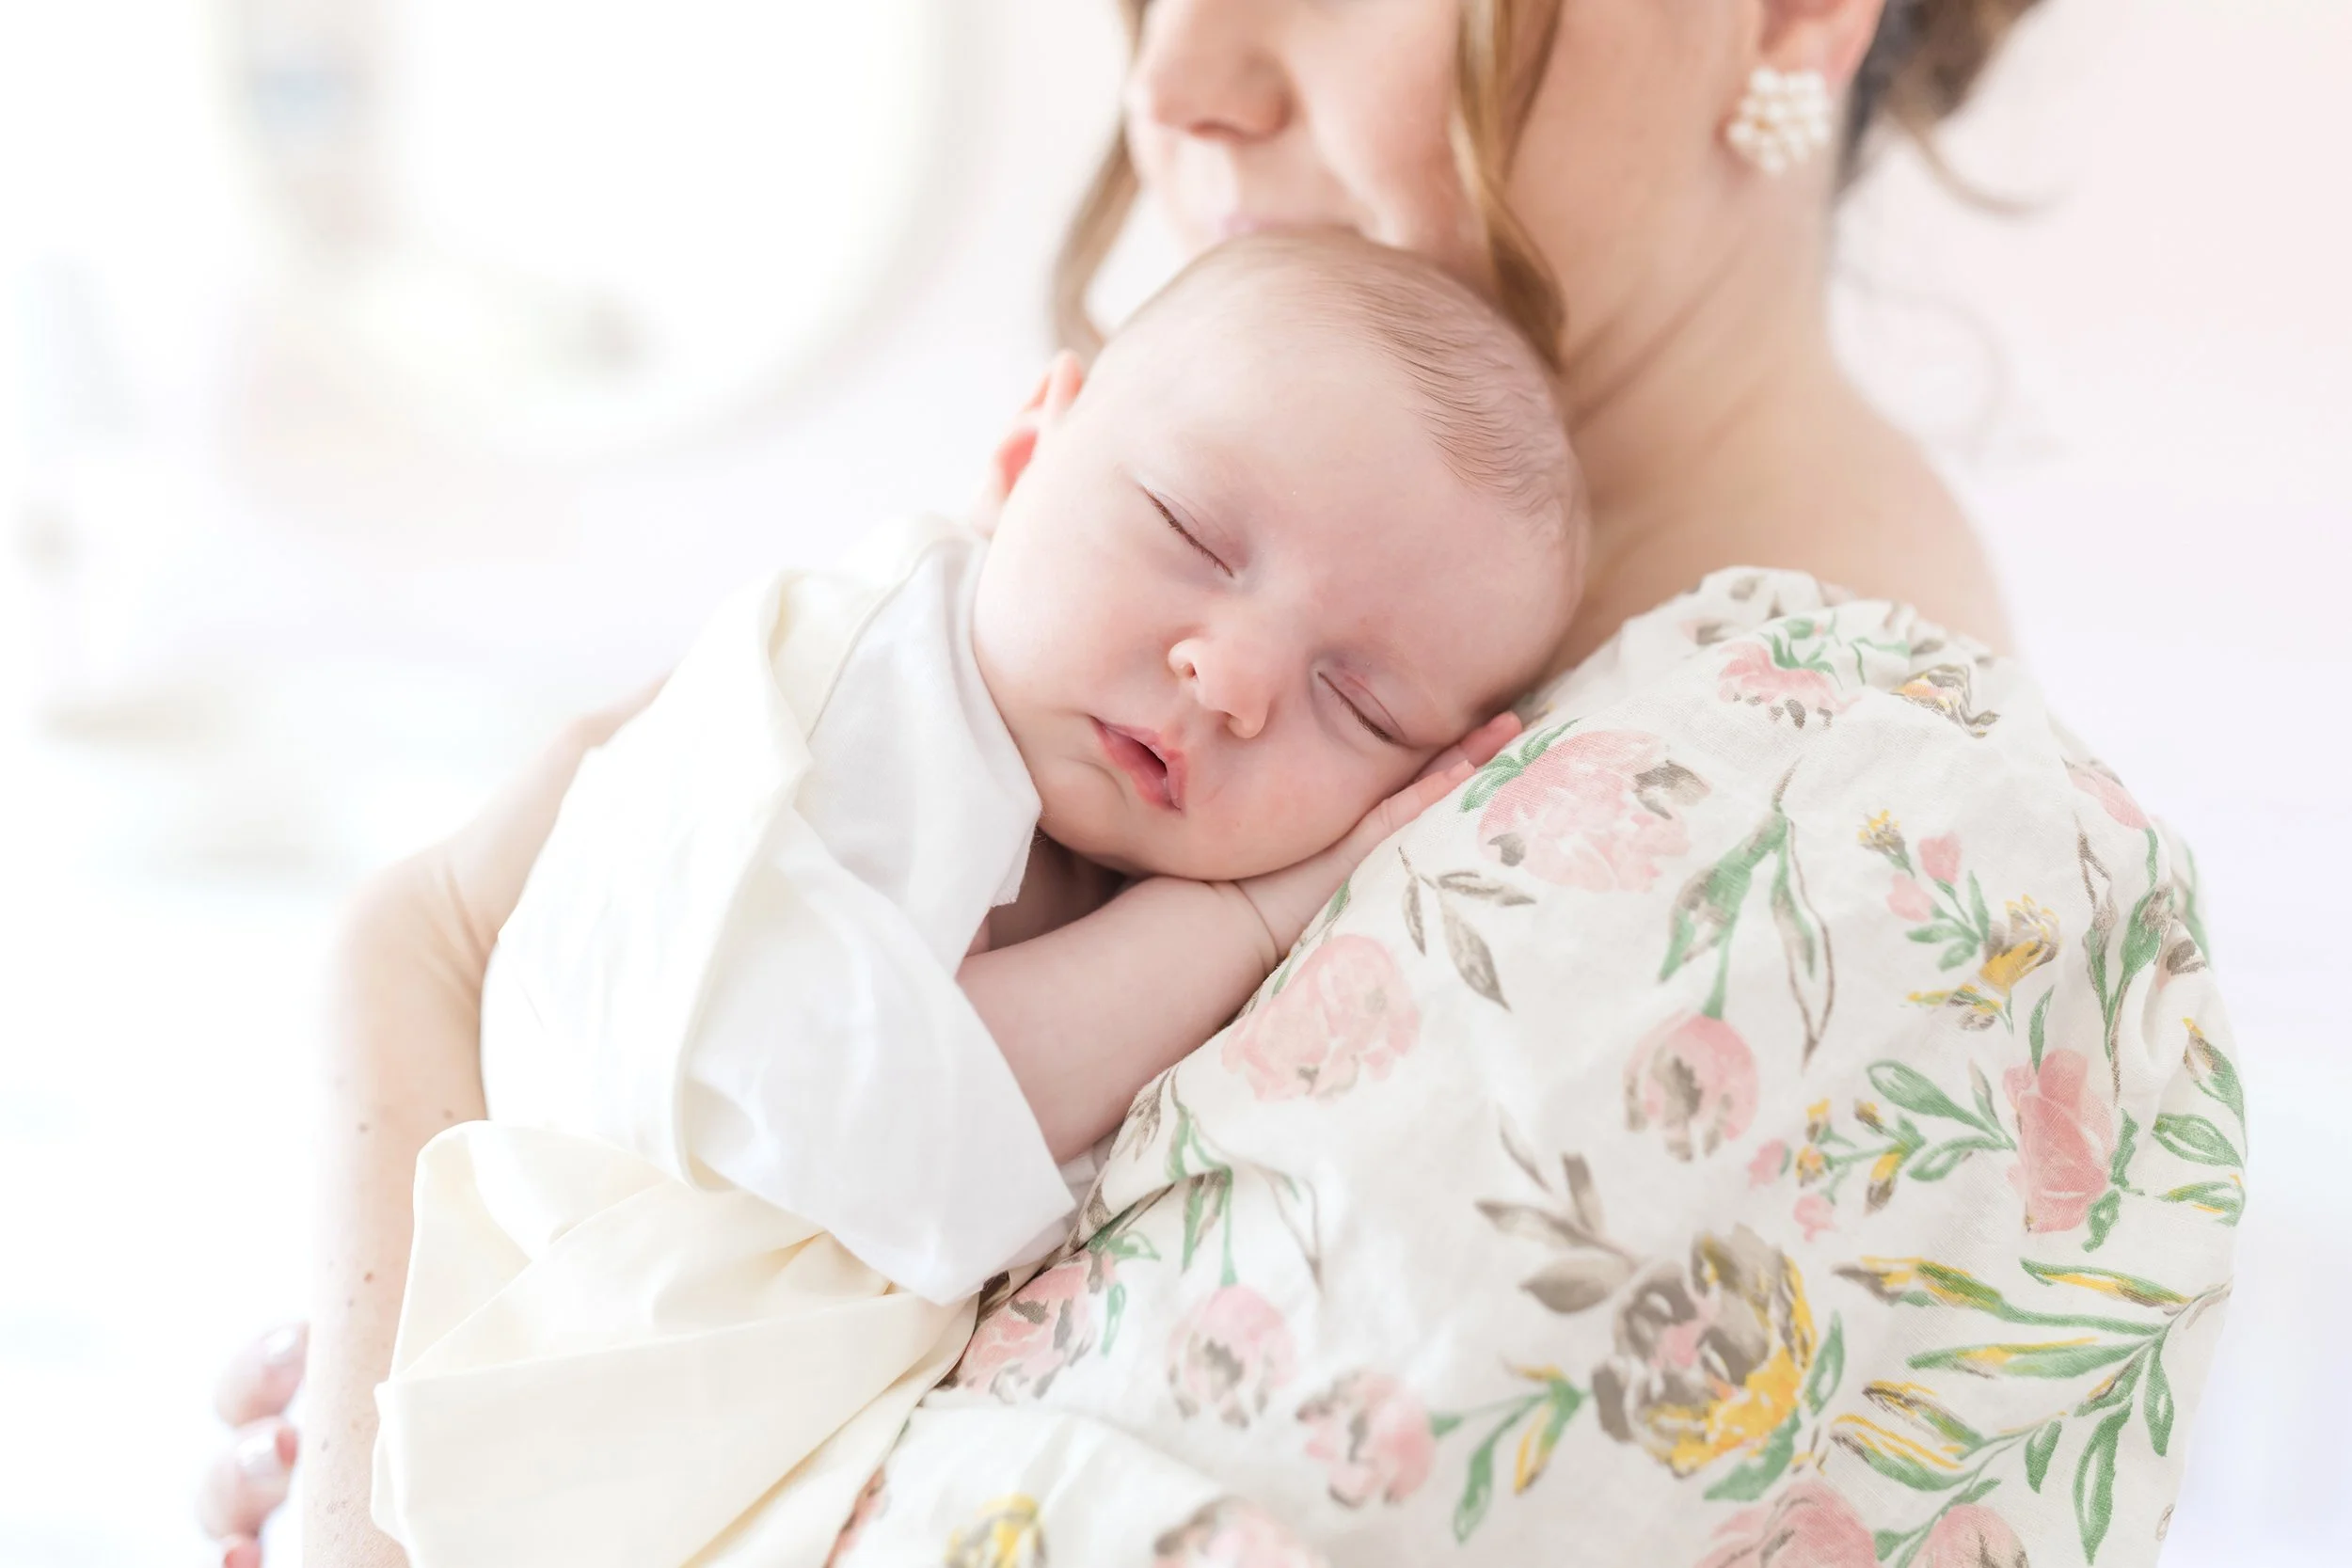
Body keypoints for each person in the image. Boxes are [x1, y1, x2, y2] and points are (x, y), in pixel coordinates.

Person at [200, 3, 2242, 1566]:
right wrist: (433, 1393)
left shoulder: (1839, 854)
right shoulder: (1085, 623)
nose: (1173, 74)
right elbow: (444, 933)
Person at [368, 232, 1579, 1567]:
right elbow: (872, 1121)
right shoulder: (854, 686)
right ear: (1023, 457)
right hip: (527, 1384)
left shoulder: (1082, 812)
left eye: (1357, 702)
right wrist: (1242, 919)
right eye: (1190, 532)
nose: (1230, 677)